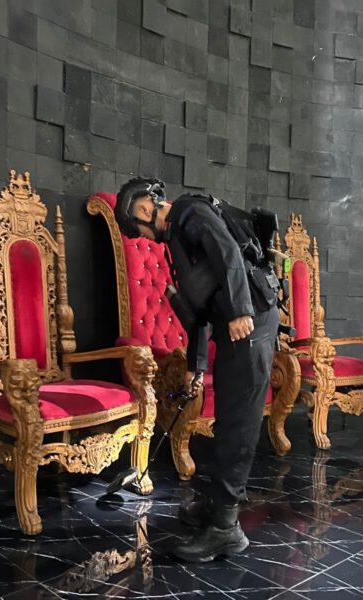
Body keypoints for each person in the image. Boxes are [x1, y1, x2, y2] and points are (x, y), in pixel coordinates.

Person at [114, 177, 280, 563]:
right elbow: (201, 309)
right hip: (236, 326)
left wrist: (240, 310)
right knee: (227, 421)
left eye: (139, 230)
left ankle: (226, 530)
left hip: (251, 323)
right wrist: (196, 366)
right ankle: (219, 505)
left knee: (238, 423)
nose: (145, 239)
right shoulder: (179, 236)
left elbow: (228, 253)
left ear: (144, 210)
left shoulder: (190, 211)